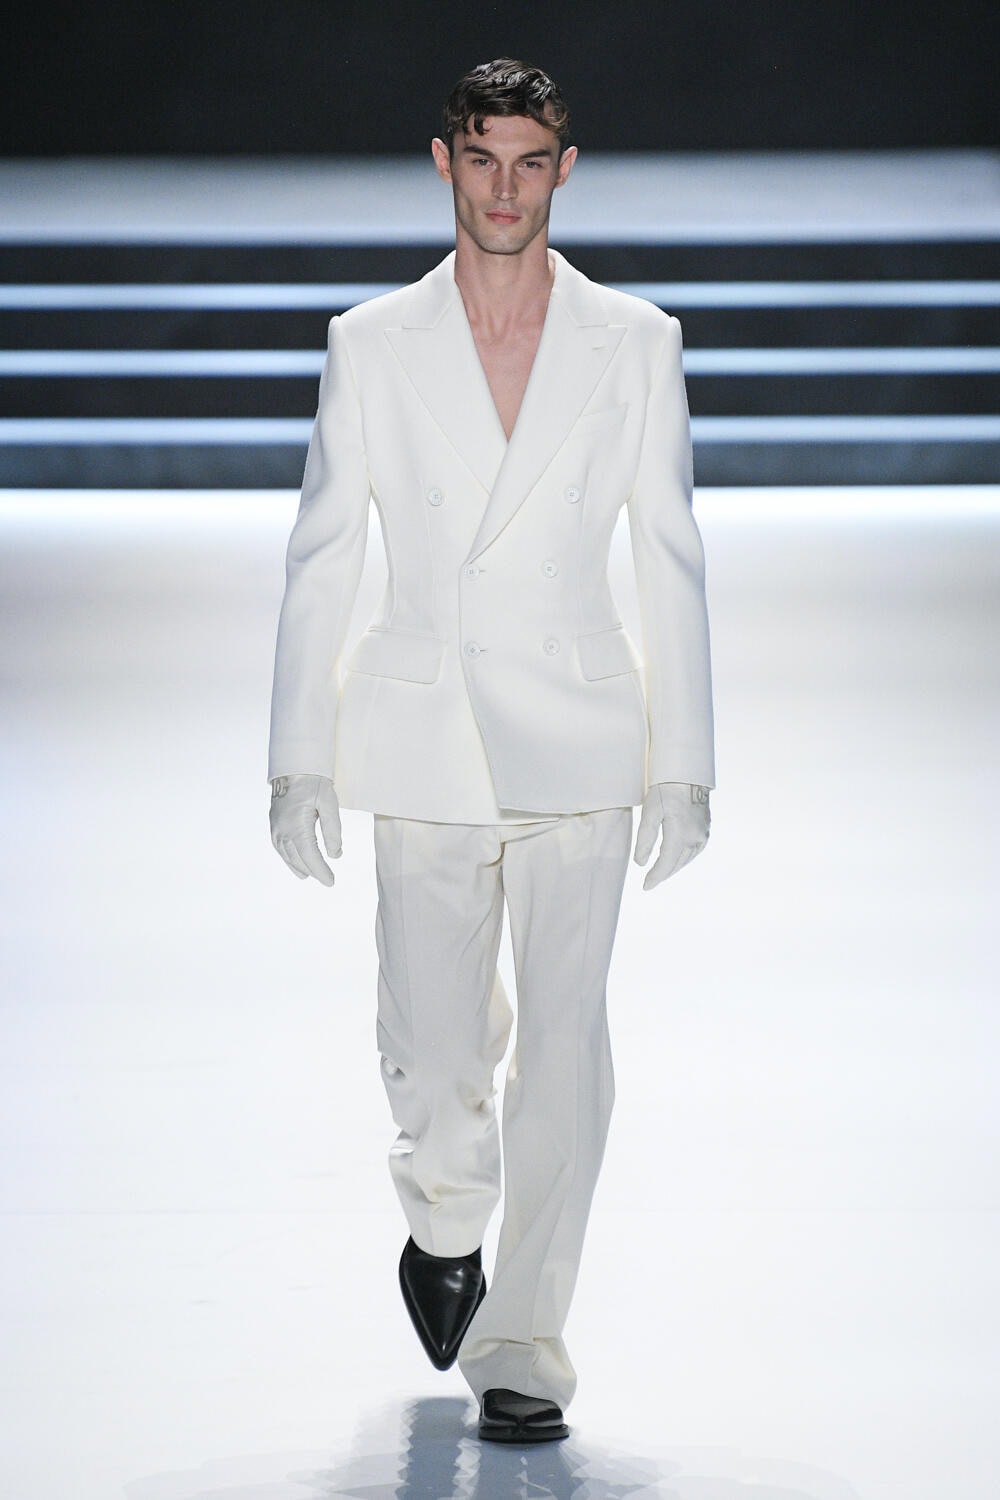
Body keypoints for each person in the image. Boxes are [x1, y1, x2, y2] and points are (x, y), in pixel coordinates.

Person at [267, 57, 714, 1445]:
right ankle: (446, 1212)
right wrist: (298, 754)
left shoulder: (634, 342)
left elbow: (671, 553)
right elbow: (324, 552)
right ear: (444, 163)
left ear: (563, 170)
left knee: (566, 1054)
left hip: (581, 734)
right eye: (482, 159)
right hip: (423, 734)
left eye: (530, 161)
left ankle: (525, 1339)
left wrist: (683, 760)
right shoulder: (371, 343)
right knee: (433, 1051)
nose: (505, 188)